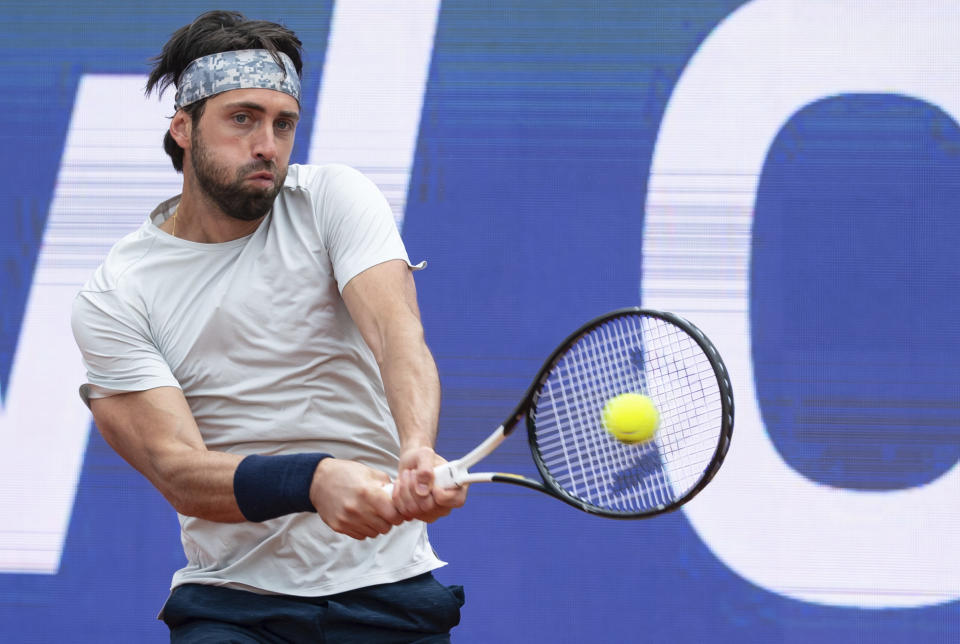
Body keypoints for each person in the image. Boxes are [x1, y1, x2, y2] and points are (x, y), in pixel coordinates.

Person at [70, 10, 466, 642]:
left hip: (389, 591)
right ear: (182, 128)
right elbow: (178, 471)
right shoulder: (117, 293)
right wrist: (311, 479)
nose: (267, 145)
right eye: (242, 118)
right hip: (234, 604)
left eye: (283, 124)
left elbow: (398, 334)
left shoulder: (334, 199)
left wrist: (416, 443)